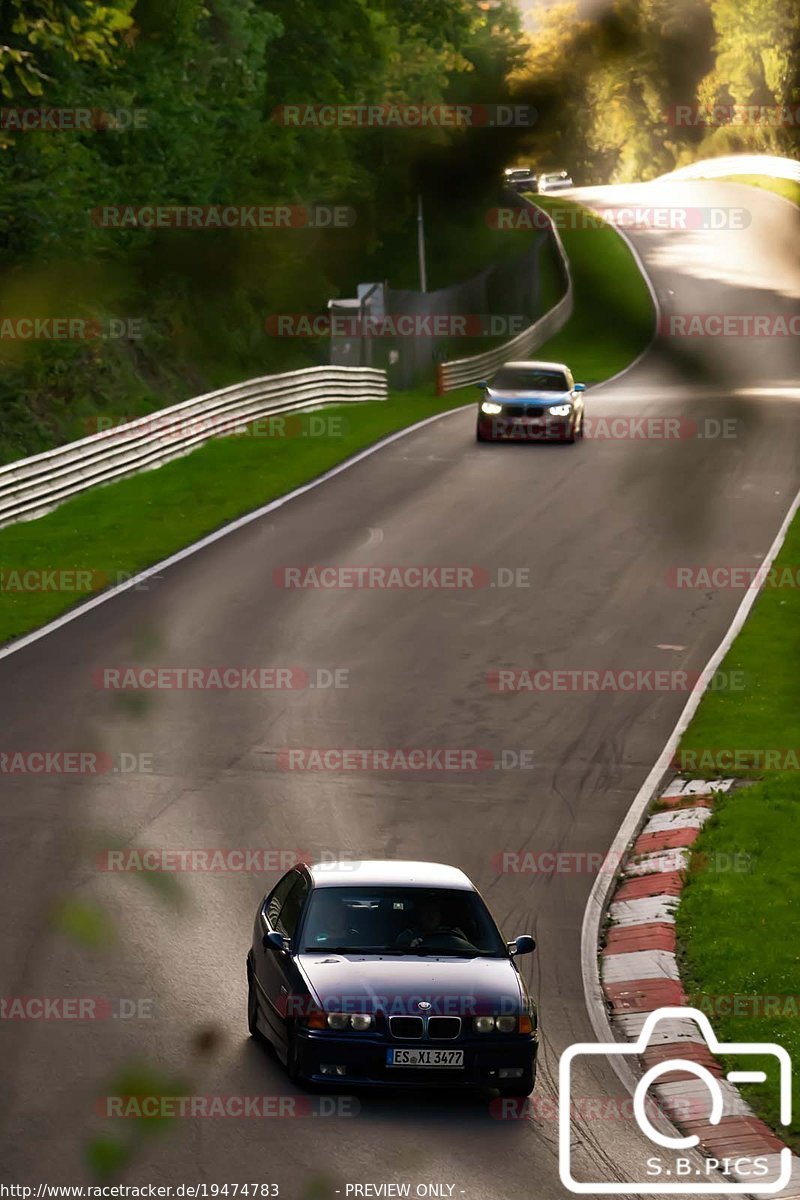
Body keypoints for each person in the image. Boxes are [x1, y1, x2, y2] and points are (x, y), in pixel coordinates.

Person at [394, 895, 470, 949]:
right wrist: (412, 949)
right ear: (420, 914)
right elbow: (398, 958)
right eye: (426, 911)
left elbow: (472, 952)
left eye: (435, 911)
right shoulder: (407, 936)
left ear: (440, 915)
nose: (430, 916)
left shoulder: (455, 934)